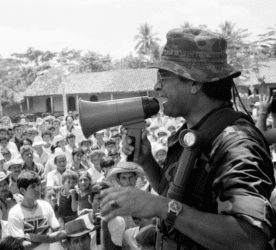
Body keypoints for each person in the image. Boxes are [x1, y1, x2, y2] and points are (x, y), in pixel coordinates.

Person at [100, 28, 276, 250]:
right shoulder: (192, 133)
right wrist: (148, 163)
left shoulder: (237, 141)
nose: (156, 87)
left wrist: (161, 207)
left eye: (163, 76)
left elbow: (250, 238)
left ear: (196, 83)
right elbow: (182, 198)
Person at [7, 171, 65, 250]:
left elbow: (58, 234)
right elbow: (20, 246)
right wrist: (47, 236)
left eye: (38, 185)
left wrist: (38, 238)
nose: (37, 189)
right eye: (33, 186)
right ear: (22, 190)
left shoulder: (46, 206)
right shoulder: (15, 213)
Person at [78, 182, 125, 250]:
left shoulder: (118, 221)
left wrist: (104, 227)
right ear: (90, 199)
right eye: (99, 199)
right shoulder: (81, 222)